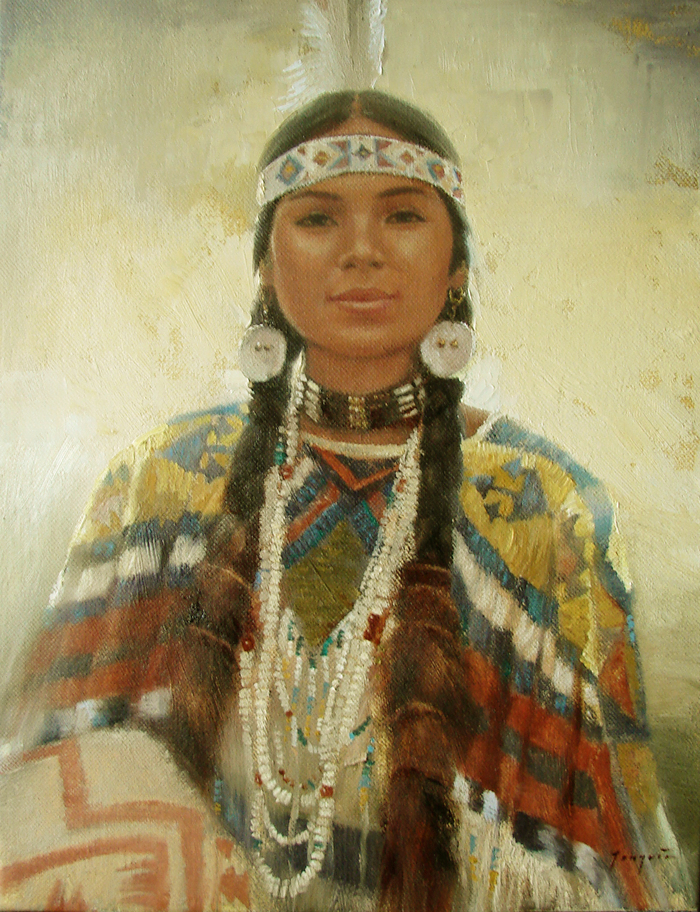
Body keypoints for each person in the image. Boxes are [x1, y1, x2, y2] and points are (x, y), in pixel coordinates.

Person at [0, 90, 691, 912]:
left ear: (457, 268)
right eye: (318, 219)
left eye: (403, 216)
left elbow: (604, 859)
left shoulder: (542, 505)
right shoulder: (159, 481)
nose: (361, 252)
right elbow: (45, 799)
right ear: (266, 264)